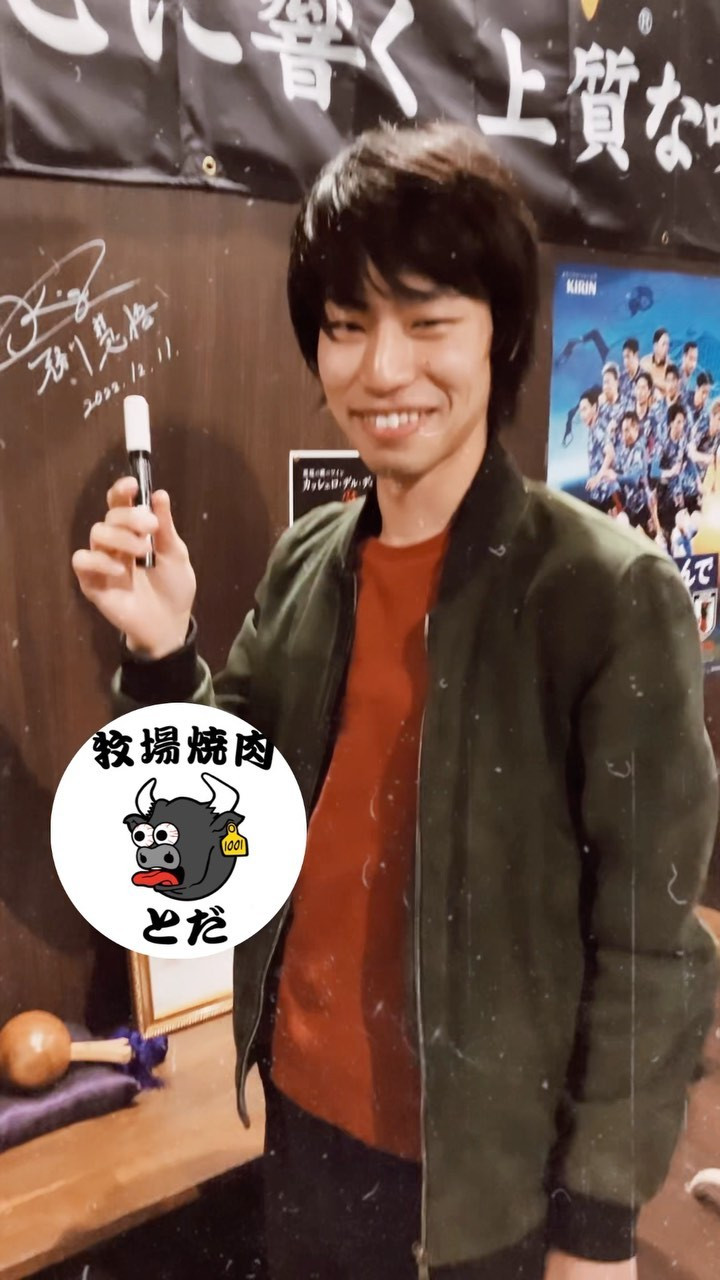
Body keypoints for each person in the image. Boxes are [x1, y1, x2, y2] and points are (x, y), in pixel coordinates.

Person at [71, 123, 718, 1280]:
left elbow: (650, 946)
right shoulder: (308, 560)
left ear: (499, 331)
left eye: (427, 322)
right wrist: (165, 648)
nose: (381, 368)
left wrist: (598, 1229)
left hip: (483, 1188)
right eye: (345, 324)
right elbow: (224, 826)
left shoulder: (605, 592)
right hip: (302, 1132)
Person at [640, 327, 670, 396]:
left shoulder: (671, 366)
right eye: (664, 344)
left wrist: (652, 380)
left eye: (668, 344)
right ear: (655, 346)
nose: (666, 348)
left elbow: (671, 387)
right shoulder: (644, 362)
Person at [618, 338, 641, 411]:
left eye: (628, 357)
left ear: (636, 355)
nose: (625, 361)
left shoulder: (645, 379)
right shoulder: (621, 378)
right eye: (624, 358)